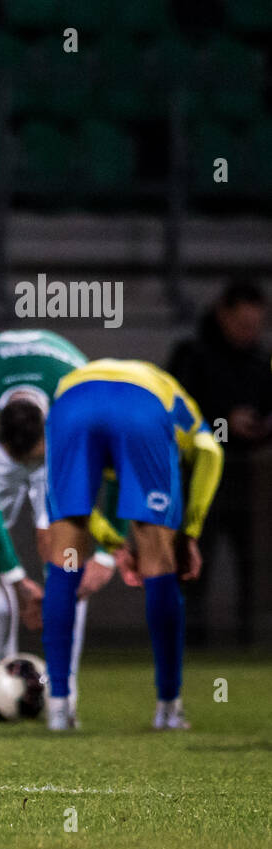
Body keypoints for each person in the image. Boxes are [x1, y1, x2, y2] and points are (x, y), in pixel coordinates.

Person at [42, 360, 224, 731]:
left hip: (70, 405)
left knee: (65, 559)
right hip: (141, 407)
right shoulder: (177, 397)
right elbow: (211, 452)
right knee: (159, 564)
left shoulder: (68, 388)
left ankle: (59, 708)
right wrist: (190, 530)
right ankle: (168, 708)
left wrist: (112, 543)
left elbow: (75, 505)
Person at [0, 330, 115, 720]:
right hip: (19, 438)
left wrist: (107, 553)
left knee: (64, 549)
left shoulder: (80, 405)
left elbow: (115, 474)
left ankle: (64, 693)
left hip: (60, 441)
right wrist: (17, 579)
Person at [167, 279, 271, 644]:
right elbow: (178, 414)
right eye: (243, 324)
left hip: (250, 480)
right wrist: (227, 422)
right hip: (197, 479)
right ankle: (188, 646)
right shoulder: (192, 356)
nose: (250, 333)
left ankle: (253, 644)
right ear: (222, 314)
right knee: (194, 562)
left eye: (256, 326)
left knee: (255, 566)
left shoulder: (262, 362)